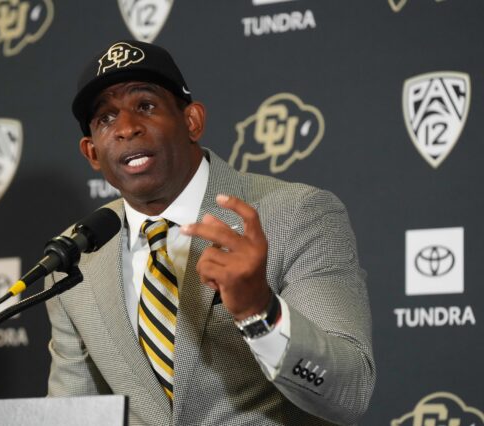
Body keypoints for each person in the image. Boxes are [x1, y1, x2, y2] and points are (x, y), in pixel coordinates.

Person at [45, 40, 375, 425]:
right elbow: (72, 414)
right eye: (105, 119)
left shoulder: (295, 214)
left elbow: (348, 391)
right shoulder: (77, 255)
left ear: (192, 122)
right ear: (92, 153)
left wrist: (260, 311)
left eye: (146, 106)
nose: (127, 128)